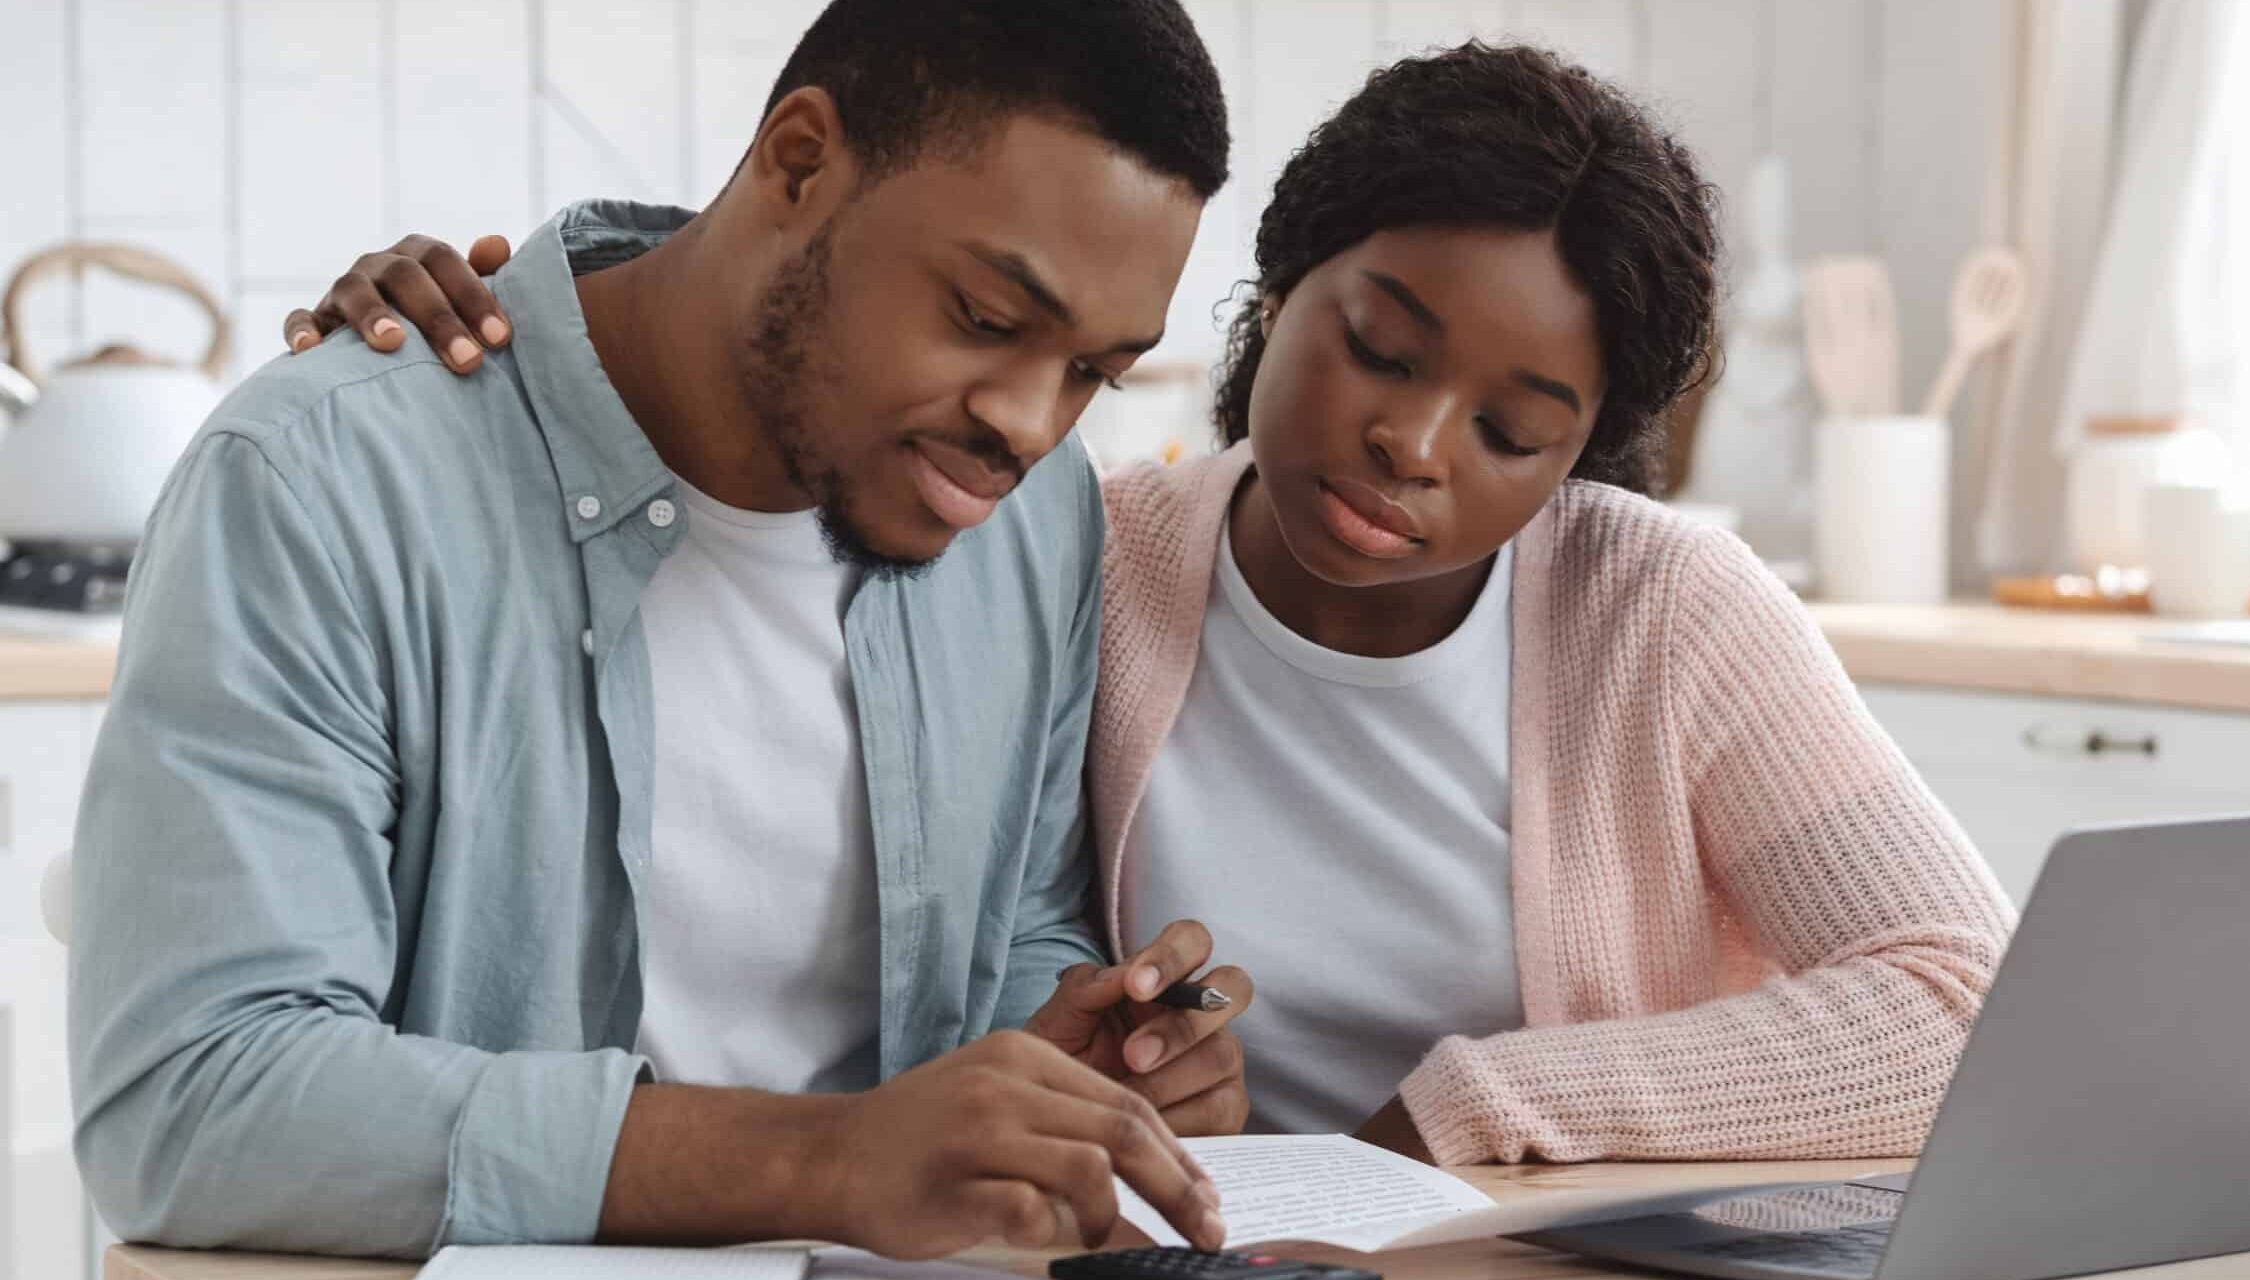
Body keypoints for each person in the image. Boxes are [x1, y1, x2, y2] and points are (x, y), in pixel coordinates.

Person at [295, 42, 2015, 1174]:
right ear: (1282, 288)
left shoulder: (1662, 613)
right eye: (1382, 347)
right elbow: (796, 337)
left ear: (1584, 457)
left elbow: (1959, 998)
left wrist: (1475, 1111)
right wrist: (525, 312)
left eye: (1510, 429)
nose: (1411, 445)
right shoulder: (1061, 551)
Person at [70, 0, 1255, 1262]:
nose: (1030, 423)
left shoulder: (1035, 520)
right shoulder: (327, 481)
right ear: (798, 162)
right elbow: (192, 1099)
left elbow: (1019, 915)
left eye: (1093, 372)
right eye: (984, 317)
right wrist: (820, 1160)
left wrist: (1072, 1058)